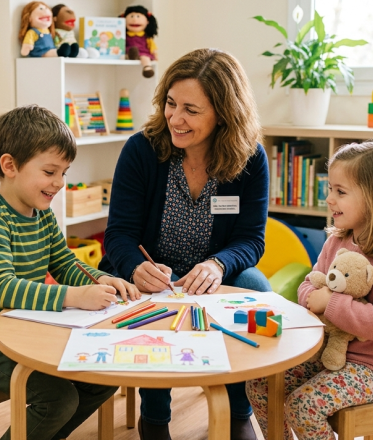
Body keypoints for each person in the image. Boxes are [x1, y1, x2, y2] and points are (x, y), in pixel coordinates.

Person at [99, 48, 272, 440]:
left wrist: (217, 265)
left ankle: (238, 411)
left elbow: (251, 239)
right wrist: (135, 266)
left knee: (256, 288)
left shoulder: (250, 159)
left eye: (191, 110)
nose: (175, 118)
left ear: (224, 114)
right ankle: (155, 417)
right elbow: (118, 234)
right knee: (153, 299)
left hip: (212, 272)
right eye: (171, 103)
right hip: (154, 271)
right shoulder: (141, 150)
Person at [0, 104, 139, 440]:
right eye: (50, 171)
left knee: (103, 378)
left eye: (64, 173)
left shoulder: (42, 214)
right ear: (10, 166)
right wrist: (75, 296)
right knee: (57, 400)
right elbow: (4, 289)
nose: (60, 183)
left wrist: (100, 278)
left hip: (23, 327)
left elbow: (64, 262)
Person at [246, 141, 373, 440]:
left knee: (304, 407)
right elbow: (309, 283)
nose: (329, 199)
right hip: (326, 354)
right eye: (330, 189)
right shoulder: (337, 241)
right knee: (261, 384)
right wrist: (313, 297)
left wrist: (330, 302)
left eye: (340, 192)